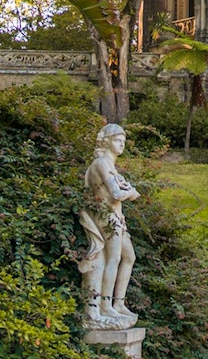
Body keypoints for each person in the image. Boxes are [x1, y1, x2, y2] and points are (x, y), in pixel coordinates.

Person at [78, 124, 141, 329]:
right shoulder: (102, 163)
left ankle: (118, 303)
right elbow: (117, 193)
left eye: (123, 140)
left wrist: (127, 190)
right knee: (112, 257)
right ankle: (105, 306)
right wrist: (129, 191)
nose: (121, 143)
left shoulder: (109, 165)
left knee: (128, 256)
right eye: (117, 139)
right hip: (106, 216)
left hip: (116, 217)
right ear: (106, 141)